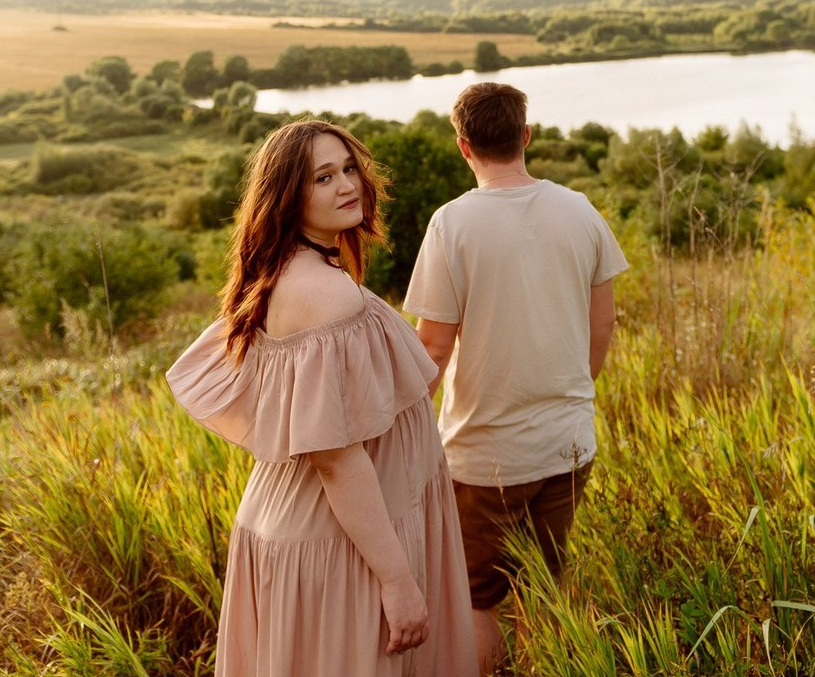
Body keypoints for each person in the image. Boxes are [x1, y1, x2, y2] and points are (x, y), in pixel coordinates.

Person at [167, 119, 476, 676]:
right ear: (288, 196)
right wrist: (397, 579)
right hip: (342, 545)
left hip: (305, 529)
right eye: (323, 177)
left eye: (349, 168)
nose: (347, 185)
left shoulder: (278, 272)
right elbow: (335, 458)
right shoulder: (327, 296)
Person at [403, 83, 628, 675]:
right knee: (544, 586)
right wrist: (571, 394)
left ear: (463, 146)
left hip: (486, 457)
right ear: (526, 135)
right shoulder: (580, 210)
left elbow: (433, 346)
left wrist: (399, 429)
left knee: (477, 597)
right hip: (569, 444)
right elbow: (603, 321)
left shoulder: (451, 225)